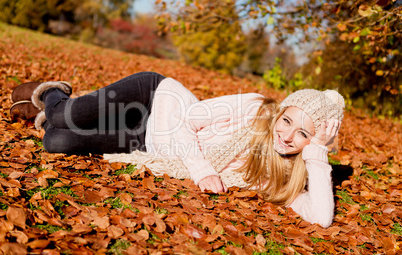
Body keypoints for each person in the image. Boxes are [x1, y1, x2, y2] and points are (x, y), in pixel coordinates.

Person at [10, 71, 344, 228]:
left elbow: (321, 217)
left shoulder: (277, 175)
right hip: (156, 98)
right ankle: (54, 92)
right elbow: (187, 119)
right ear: (280, 110)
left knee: (56, 141)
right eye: (287, 121)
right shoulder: (255, 108)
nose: (287, 136)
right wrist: (203, 170)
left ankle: (53, 114)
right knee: (61, 115)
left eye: (302, 134)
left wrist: (317, 155)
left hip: (148, 141)